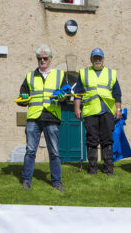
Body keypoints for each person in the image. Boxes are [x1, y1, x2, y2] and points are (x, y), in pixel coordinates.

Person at [20, 44, 69, 191]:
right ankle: (26, 181)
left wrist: (62, 98)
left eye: (45, 58)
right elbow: (23, 96)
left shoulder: (60, 75)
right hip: (33, 118)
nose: (42, 61)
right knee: (30, 151)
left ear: (50, 59)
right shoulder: (30, 76)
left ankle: (57, 182)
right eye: (39, 58)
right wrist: (23, 99)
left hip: (52, 117)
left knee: (54, 152)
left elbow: (66, 99)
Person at [74, 47, 122, 175]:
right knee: (92, 139)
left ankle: (108, 168)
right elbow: (78, 93)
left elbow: (117, 93)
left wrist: (118, 109)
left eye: (99, 58)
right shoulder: (84, 73)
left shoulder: (111, 73)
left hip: (107, 111)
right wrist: (77, 108)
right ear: (91, 59)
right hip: (90, 111)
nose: (97, 60)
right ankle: (92, 169)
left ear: (103, 59)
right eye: (95, 58)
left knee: (107, 139)